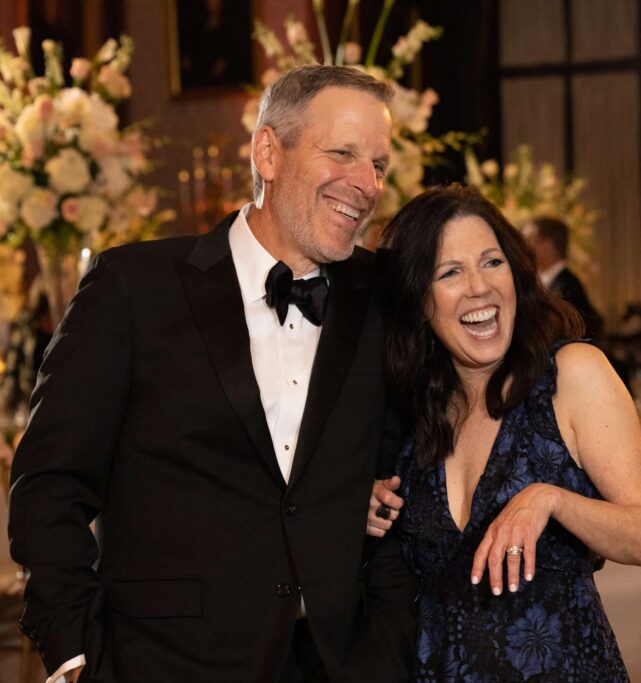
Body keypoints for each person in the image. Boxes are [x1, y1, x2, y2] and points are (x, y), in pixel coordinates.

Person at [8, 65, 417, 682]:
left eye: (380, 165)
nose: (366, 183)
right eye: (343, 153)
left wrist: (386, 650)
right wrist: (77, 656)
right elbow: (48, 487)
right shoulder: (134, 289)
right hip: (164, 664)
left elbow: (404, 464)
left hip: (337, 663)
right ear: (268, 152)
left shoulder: (383, 296)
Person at [369, 184, 641, 681]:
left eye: (492, 262)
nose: (479, 288)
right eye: (450, 272)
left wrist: (551, 500)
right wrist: (365, 510)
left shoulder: (572, 375)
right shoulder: (410, 411)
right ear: (419, 302)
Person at [522, 216, 604, 339]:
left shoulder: (567, 285)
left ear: (548, 245)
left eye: (529, 240)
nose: (524, 248)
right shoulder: (548, 282)